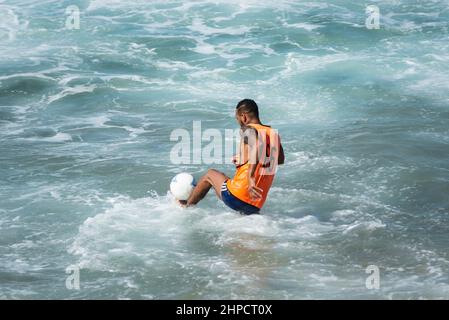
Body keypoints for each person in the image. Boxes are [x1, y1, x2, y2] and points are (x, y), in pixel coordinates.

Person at [179, 99, 285, 214]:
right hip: (255, 205)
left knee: (210, 175)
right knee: (223, 177)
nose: (238, 121)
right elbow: (279, 160)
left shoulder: (247, 129)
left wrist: (250, 177)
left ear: (243, 117)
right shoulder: (274, 134)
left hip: (237, 196)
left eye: (237, 118)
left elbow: (257, 145)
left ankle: (186, 207)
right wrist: (244, 158)